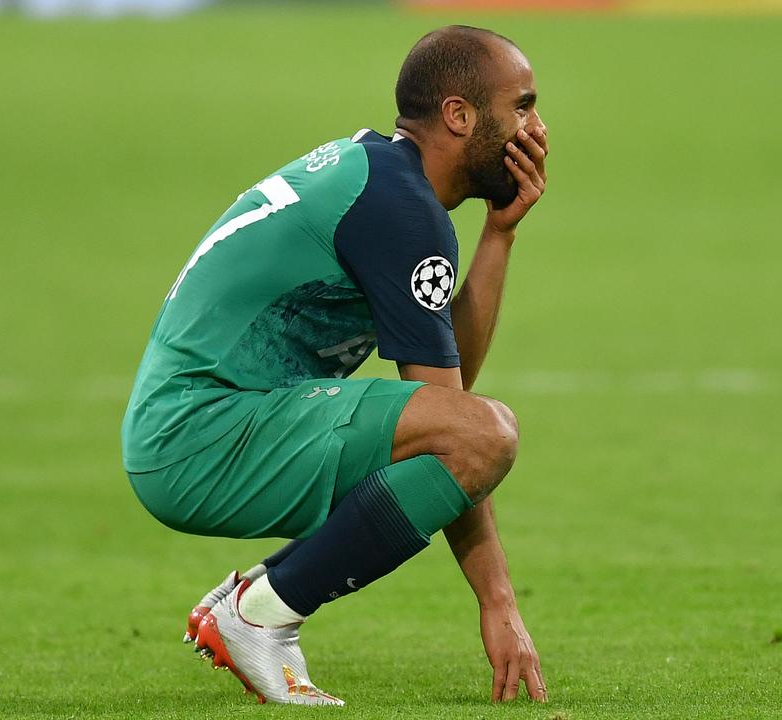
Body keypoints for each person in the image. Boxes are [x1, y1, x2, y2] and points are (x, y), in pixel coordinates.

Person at [120, 25, 549, 706]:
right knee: (486, 434)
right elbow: (460, 430)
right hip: (198, 437)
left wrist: (500, 234)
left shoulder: (380, 177)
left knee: (468, 431)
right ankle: (260, 614)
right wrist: (498, 599)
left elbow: (445, 392)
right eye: (522, 105)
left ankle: (252, 599)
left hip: (196, 426)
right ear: (460, 115)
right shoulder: (402, 213)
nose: (537, 128)